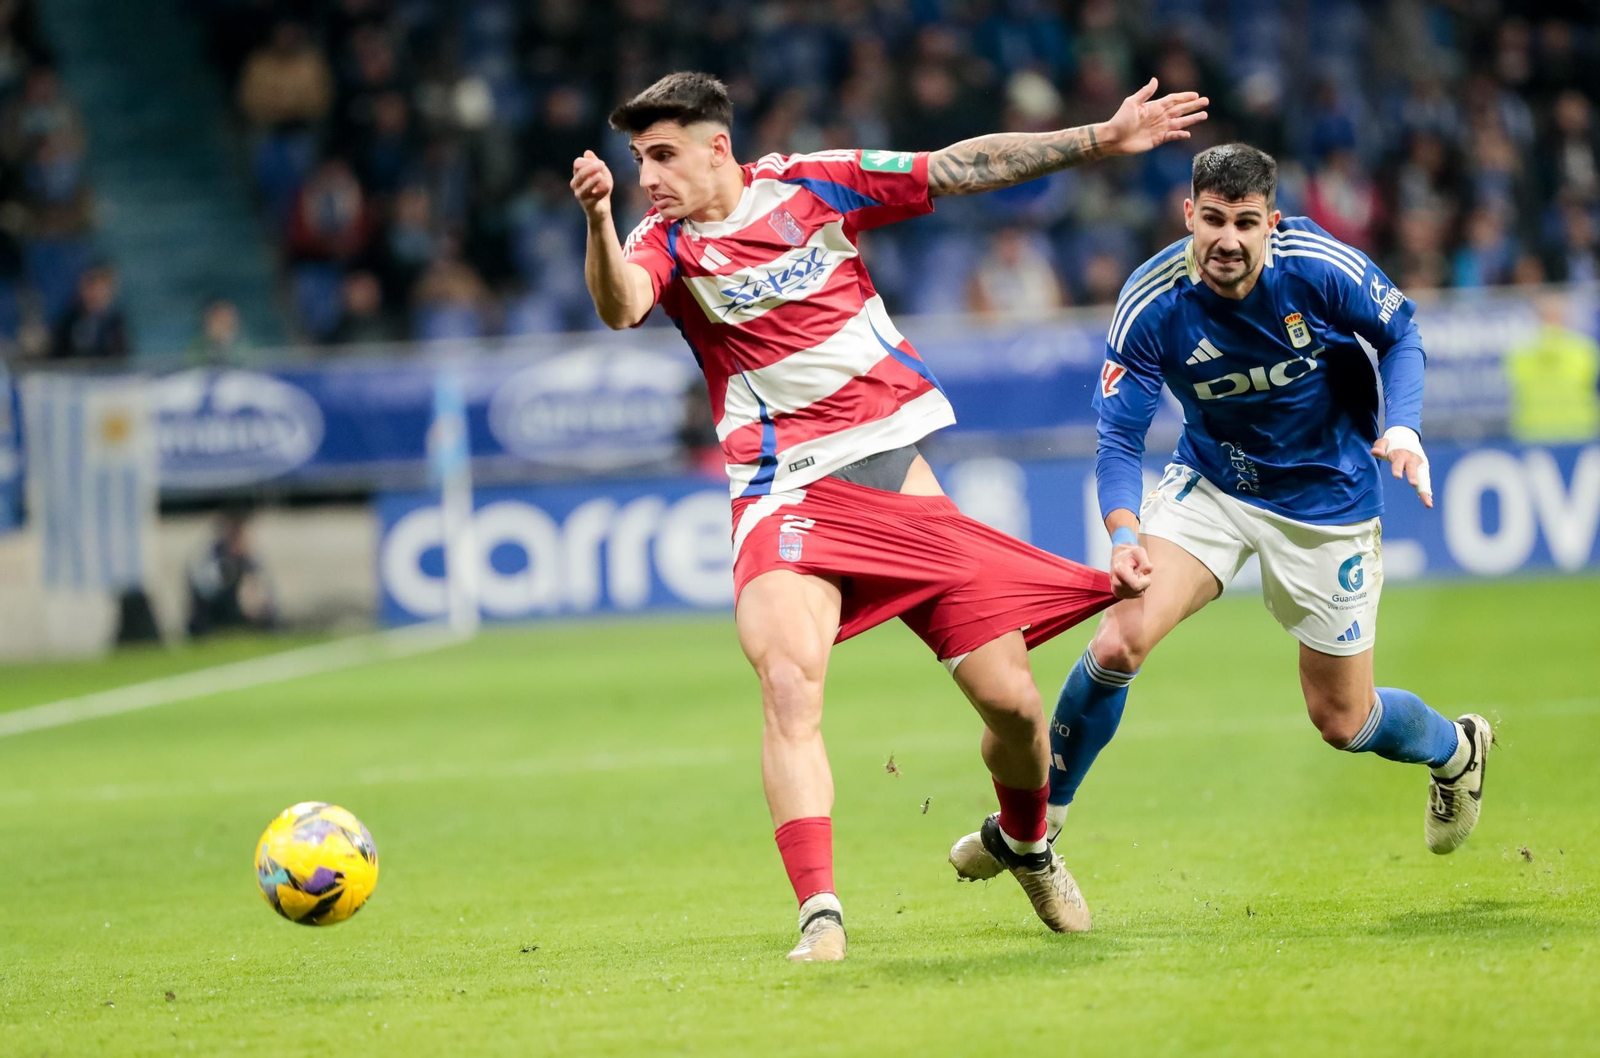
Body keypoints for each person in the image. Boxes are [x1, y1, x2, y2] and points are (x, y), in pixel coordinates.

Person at [572, 71, 1207, 961]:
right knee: (789, 685)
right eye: (639, 160)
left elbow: (955, 167)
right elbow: (622, 305)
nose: (649, 176)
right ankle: (820, 914)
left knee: (1015, 710)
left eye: (663, 155)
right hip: (784, 493)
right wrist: (599, 220)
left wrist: (1099, 139)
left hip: (896, 480)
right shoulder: (658, 241)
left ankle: (1027, 841)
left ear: (719, 147)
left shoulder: (812, 182)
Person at [948, 144, 1495, 889]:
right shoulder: (1152, 299)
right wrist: (1123, 532)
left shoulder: (1316, 265)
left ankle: (1457, 751)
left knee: (1343, 720)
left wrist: (1403, 425)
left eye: (1244, 223)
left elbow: (1402, 333)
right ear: (1188, 216)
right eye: (1212, 220)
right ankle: (1037, 830)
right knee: (1118, 641)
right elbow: (1118, 434)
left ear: (1272, 223)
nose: (1227, 241)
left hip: (1325, 498)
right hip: (1214, 485)